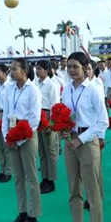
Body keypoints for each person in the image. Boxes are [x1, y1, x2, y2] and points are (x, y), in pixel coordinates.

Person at [60, 52, 108, 222]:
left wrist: (82, 138)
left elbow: (103, 121)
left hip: (87, 141)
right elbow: (63, 113)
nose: (71, 70)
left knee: (92, 190)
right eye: (69, 67)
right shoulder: (67, 90)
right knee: (73, 189)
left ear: (85, 67)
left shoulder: (94, 90)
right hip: (70, 141)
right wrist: (62, 128)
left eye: (75, 67)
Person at [2, 58, 43, 222]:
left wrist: (19, 138)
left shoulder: (33, 90)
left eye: (14, 69)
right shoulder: (9, 89)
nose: (11, 72)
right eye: (10, 69)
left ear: (24, 71)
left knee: (31, 176)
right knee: (18, 177)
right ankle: (22, 212)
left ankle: (33, 217)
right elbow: (6, 113)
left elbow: (35, 118)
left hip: (27, 136)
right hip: (12, 135)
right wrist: (7, 136)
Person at [35, 60, 60, 194]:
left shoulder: (52, 85)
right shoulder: (36, 84)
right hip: (38, 116)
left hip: (47, 116)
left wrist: (52, 124)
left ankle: (51, 180)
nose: (37, 71)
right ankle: (44, 178)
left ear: (47, 70)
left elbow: (54, 106)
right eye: (36, 68)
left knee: (50, 150)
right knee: (42, 150)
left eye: (40, 69)